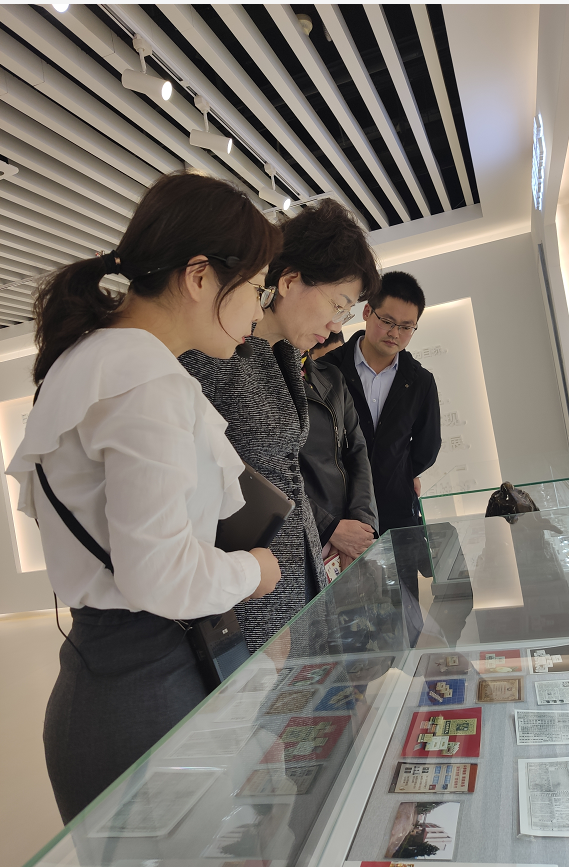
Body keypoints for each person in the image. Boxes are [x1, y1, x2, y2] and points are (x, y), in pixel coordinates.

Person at [6, 171, 283, 824]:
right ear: (199, 276)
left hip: (117, 681)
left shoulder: (96, 361)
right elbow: (157, 572)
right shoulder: (144, 381)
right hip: (144, 693)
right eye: (255, 289)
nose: (257, 311)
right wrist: (255, 571)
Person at [180, 199, 379, 653]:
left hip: (296, 567)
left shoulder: (283, 354)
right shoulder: (215, 351)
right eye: (338, 304)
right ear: (288, 281)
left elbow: (289, 472)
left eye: (346, 313)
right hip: (247, 583)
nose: (336, 324)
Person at [323, 270, 441, 642]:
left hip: (394, 514)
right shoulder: (329, 369)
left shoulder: (420, 381)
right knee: (343, 621)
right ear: (367, 312)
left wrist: (398, 471)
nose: (395, 333)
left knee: (403, 619)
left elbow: (427, 447)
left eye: (406, 327)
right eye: (387, 321)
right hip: (339, 516)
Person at [300, 334, 378, 571]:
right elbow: (270, 475)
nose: (334, 326)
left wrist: (362, 527)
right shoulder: (269, 380)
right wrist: (329, 528)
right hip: (306, 533)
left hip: (349, 531)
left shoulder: (331, 375)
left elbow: (357, 452)